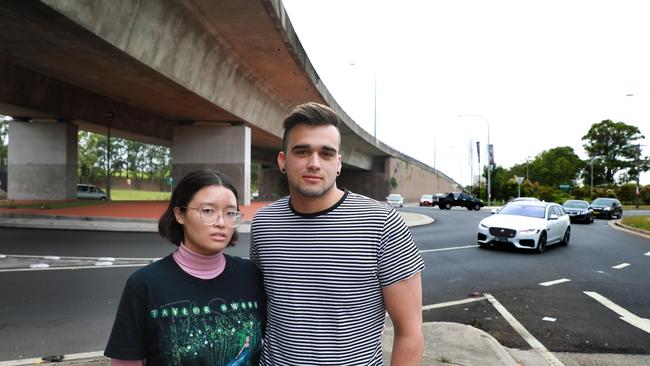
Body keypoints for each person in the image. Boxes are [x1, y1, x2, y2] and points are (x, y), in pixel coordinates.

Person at [250, 102, 424, 365]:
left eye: (327, 153)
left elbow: (410, 333)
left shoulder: (383, 223)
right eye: (302, 151)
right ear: (283, 161)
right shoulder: (264, 223)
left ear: (339, 164)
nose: (314, 163)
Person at [105, 170, 266, 366]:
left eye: (230, 213)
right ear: (180, 214)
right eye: (208, 211)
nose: (221, 222)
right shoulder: (145, 284)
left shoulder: (250, 275)